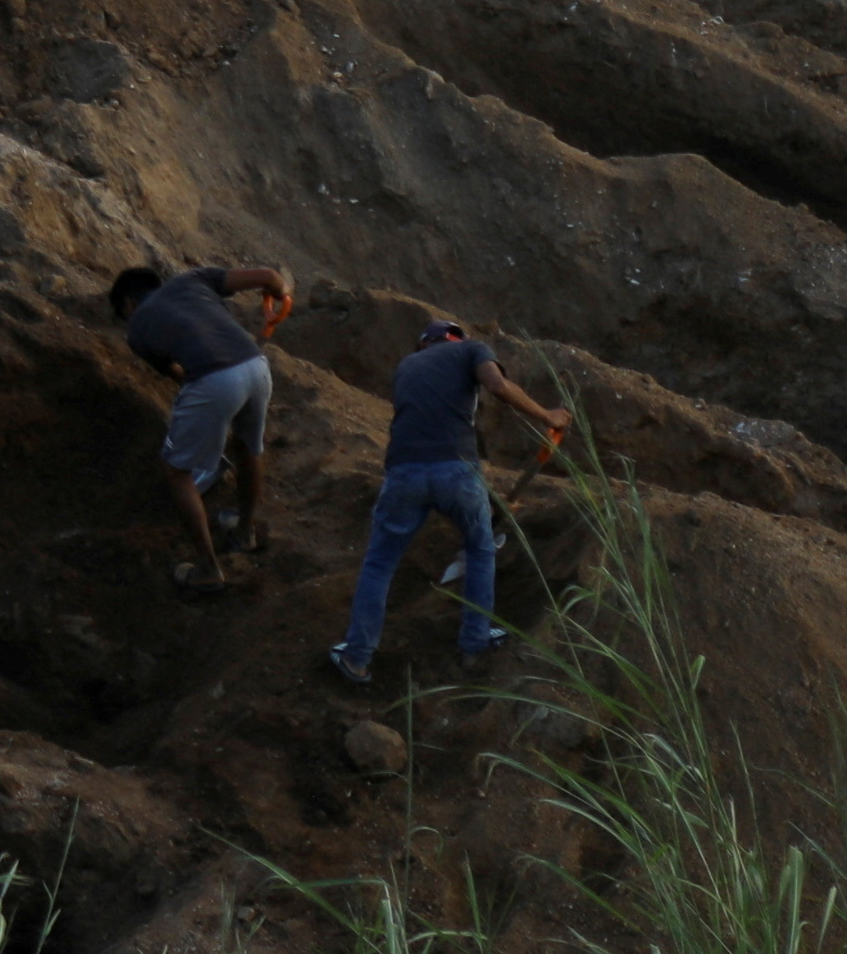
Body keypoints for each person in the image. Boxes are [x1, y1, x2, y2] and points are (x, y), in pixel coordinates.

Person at [327, 314, 571, 682]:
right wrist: (546, 415)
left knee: (379, 563)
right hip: (456, 469)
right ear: (456, 339)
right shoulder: (472, 349)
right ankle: (474, 643)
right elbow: (496, 384)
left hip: (404, 471)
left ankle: (357, 656)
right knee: (480, 548)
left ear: (425, 344)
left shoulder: (406, 366)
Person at [110, 260, 293, 592]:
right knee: (248, 447)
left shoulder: (137, 328)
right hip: (256, 365)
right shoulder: (194, 279)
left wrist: (207, 394)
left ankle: (208, 570)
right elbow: (270, 278)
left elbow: (177, 374)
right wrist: (279, 294)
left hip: (214, 379)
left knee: (178, 473)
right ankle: (244, 533)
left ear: (129, 304)